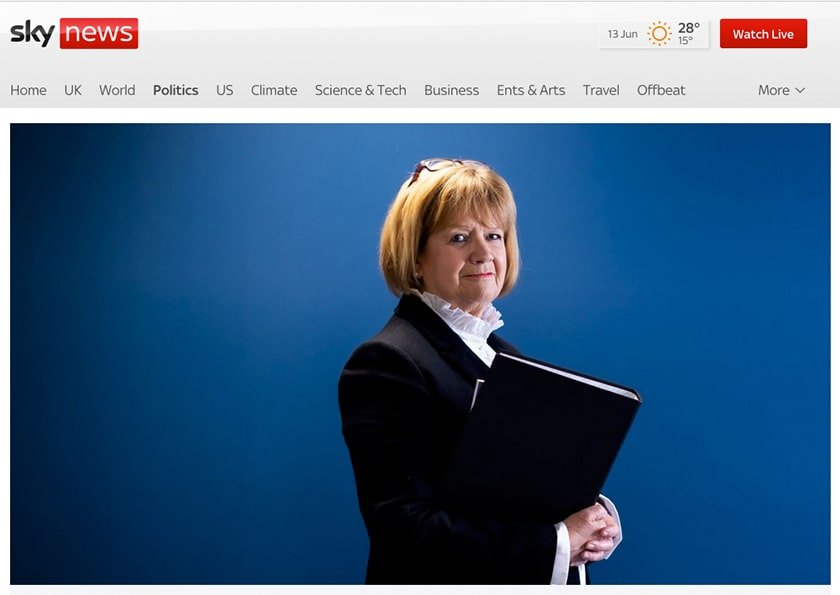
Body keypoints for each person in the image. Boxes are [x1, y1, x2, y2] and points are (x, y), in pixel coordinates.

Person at [338, 158, 621, 584]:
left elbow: (515, 487)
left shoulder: (504, 354)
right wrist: (559, 542)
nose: (484, 252)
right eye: (458, 237)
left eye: (494, 235)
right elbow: (404, 527)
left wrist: (591, 520)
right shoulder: (387, 361)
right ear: (414, 257)